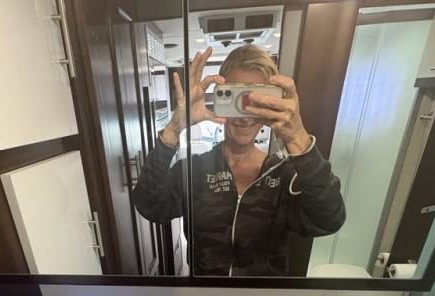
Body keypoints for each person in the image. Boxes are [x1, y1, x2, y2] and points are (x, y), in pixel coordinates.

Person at [133, 45, 345, 277]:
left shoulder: (286, 176)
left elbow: (329, 220)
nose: (244, 118)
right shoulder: (193, 171)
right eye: (236, 100)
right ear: (221, 98)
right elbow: (149, 206)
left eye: (255, 102)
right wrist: (173, 128)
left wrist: (297, 137)